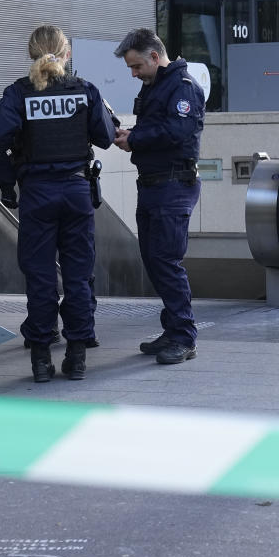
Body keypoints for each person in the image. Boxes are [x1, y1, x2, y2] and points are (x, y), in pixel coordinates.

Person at [0, 24, 115, 382]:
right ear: (66, 53)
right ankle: (76, 357)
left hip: (38, 194)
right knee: (77, 276)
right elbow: (104, 136)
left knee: (41, 276)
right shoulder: (84, 90)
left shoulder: (19, 93)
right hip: (76, 192)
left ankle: (41, 359)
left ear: (31, 52)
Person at [112, 28, 204, 365]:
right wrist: (133, 134)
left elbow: (177, 131)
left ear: (154, 56)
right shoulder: (157, 86)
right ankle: (172, 329)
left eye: (136, 66)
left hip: (173, 185)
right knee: (154, 260)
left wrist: (136, 139)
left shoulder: (183, 88)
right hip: (152, 184)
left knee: (166, 260)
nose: (134, 74)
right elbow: (158, 129)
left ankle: (184, 337)